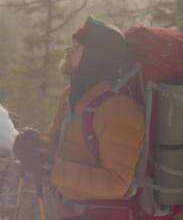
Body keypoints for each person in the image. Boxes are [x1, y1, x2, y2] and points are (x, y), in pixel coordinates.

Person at [13, 17, 145, 220]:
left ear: (95, 57)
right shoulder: (71, 96)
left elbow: (117, 183)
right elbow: (57, 146)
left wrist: (51, 167)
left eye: (76, 46)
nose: (68, 50)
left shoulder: (118, 110)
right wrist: (36, 145)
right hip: (68, 211)